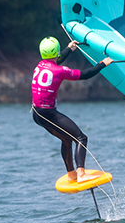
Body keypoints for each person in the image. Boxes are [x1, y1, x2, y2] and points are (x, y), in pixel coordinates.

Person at [32, 37, 113, 182]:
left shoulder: (40, 65)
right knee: (81, 138)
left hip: (37, 114)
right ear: (56, 52)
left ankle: (71, 174)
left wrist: (69, 49)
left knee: (67, 139)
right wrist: (102, 64)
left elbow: (56, 60)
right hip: (48, 113)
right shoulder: (59, 71)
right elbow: (84, 75)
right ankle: (81, 174)